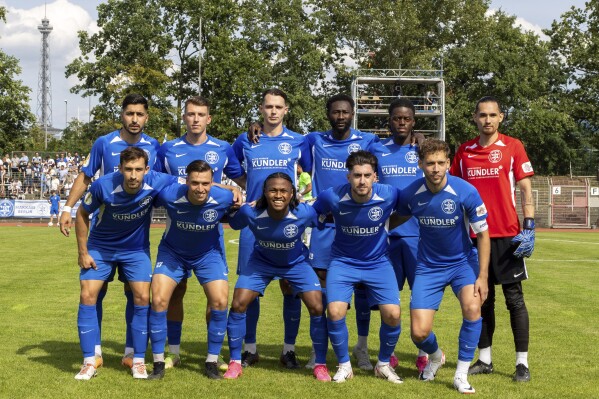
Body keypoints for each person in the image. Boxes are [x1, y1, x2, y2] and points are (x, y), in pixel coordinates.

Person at [59, 93, 160, 369]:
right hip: (102, 236)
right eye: (130, 113)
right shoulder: (104, 143)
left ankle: (130, 353)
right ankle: (95, 352)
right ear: (122, 115)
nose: (135, 119)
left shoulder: (154, 146)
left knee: (136, 294)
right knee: (94, 292)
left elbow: (161, 184)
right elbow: (86, 175)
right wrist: (67, 208)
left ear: (146, 116)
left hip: (136, 239)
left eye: (140, 114)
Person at [156, 96, 246, 370]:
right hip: (176, 234)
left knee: (216, 297)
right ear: (183, 117)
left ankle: (214, 355)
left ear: (209, 119)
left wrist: (237, 192)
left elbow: (242, 179)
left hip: (210, 236)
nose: (195, 119)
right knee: (175, 293)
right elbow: (159, 183)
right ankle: (173, 352)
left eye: (201, 114)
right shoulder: (168, 149)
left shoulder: (223, 148)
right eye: (190, 114)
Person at [450, 96, 535, 382]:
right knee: (481, 299)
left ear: (500, 118)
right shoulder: (463, 152)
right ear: (474, 118)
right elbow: (452, 190)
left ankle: (522, 363)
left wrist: (530, 226)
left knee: (514, 300)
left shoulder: (513, 147)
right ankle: (484, 358)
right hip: (473, 237)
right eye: (482, 115)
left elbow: (525, 189)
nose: (487, 120)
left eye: (492, 115)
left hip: (507, 237)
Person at [73, 147, 177, 380]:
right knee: (87, 295)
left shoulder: (157, 181)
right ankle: (90, 360)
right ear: (119, 169)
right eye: (128, 169)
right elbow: (81, 214)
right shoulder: (102, 185)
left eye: (138, 169)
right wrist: (83, 252)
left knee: (142, 297)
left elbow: (193, 182)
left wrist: (228, 187)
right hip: (101, 248)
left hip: (135, 250)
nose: (133, 175)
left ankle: (137, 360)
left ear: (147, 170)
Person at [397, 138, 490, 394]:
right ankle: (436, 356)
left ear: (448, 163)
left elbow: (483, 235)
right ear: (421, 165)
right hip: (428, 267)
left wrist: (482, 276)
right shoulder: (411, 194)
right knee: (418, 332)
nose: (435, 168)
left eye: (440, 163)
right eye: (430, 163)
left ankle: (461, 374)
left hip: (462, 263)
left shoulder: (466, 191)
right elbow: (395, 217)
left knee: (472, 307)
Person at [231, 88, 311, 369]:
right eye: (268, 107)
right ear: (261, 109)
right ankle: (250, 349)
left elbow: (308, 176)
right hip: (254, 225)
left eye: (278, 107)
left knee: (290, 287)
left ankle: (288, 350)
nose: (273, 111)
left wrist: (298, 194)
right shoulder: (246, 139)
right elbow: (232, 169)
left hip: (287, 224)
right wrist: (252, 191)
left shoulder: (299, 141)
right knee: (248, 291)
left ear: (286, 110)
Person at [224, 172, 329, 381]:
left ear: (292, 194)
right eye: (273, 190)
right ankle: (235, 361)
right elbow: (234, 222)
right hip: (261, 262)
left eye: (283, 191)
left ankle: (318, 364)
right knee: (238, 303)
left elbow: (322, 221)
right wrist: (233, 201)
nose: (278, 195)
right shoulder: (251, 212)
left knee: (317, 306)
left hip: (296, 264)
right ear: (265, 192)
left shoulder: (304, 213)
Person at [312, 150, 403, 384]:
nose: (362, 181)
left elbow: (409, 209)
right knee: (335, 311)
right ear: (348, 177)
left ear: (375, 177)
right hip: (343, 262)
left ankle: (383, 364)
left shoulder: (390, 195)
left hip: (378, 263)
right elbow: (313, 215)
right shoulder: (332, 196)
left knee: (393, 314)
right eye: (356, 175)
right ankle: (344, 365)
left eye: (366, 175)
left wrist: (388, 225)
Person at [147, 160, 236, 380]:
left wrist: (233, 189)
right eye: (194, 183)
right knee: (158, 300)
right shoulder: (169, 195)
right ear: (186, 182)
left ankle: (212, 361)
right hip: (173, 252)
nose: (200, 188)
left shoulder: (223, 197)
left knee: (220, 301)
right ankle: (161, 361)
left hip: (209, 254)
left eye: (205, 183)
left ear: (212, 182)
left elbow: (241, 209)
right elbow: (146, 183)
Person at [371, 97, 428, 372]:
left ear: (414, 121)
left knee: (421, 299)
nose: (402, 123)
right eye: (396, 118)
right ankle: (389, 353)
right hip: (388, 236)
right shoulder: (377, 150)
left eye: (407, 118)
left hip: (420, 238)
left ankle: (423, 352)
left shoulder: (423, 150)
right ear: (389, 121)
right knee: (388, 299)